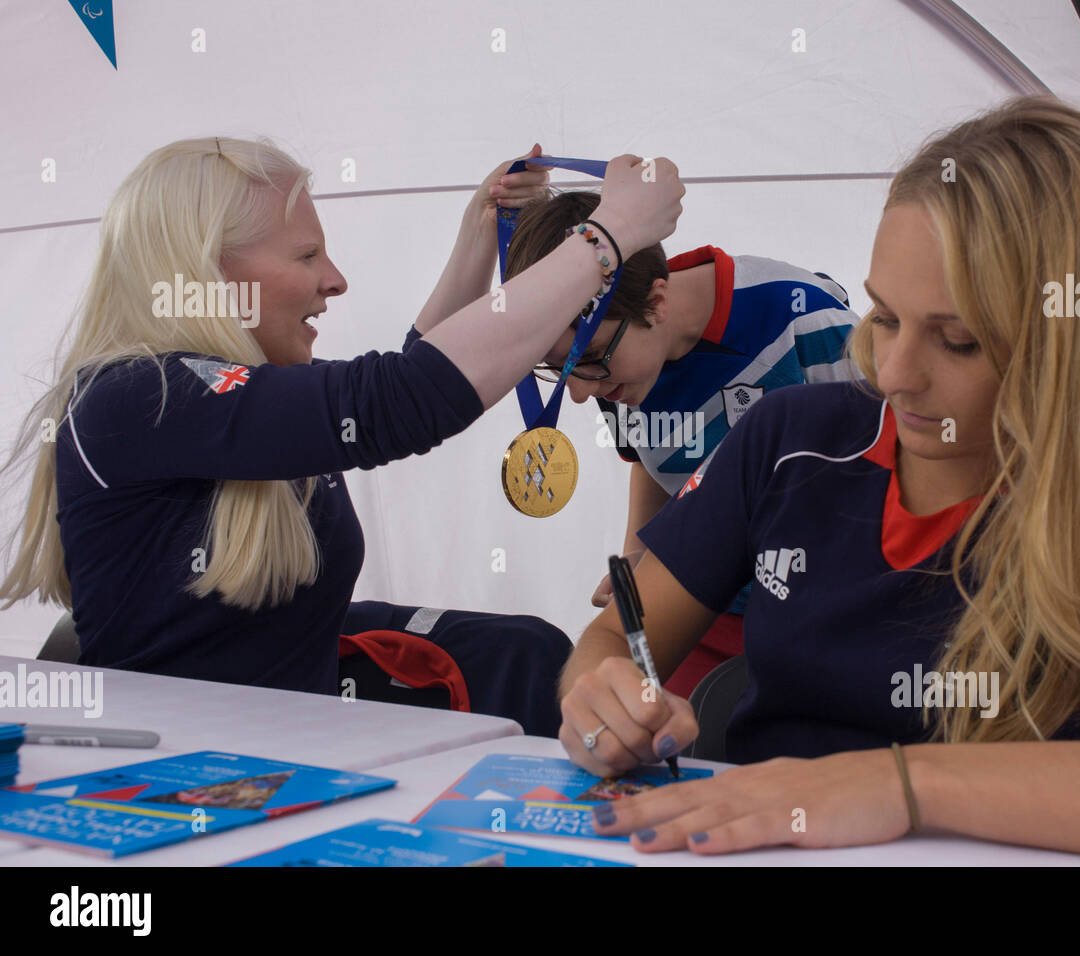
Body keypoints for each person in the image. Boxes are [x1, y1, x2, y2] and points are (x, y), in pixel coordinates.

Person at [553, 96, 1080, 863]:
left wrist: (904, 787)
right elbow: (617, 637)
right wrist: (600, 696)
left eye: (959, 340)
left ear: (1070, 350)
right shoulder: (787, 440)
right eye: (883, 317)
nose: (896, 374)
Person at [0, 138, 683, 737]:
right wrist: (606, 238)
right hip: (181, 784)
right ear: (206, 272)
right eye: (306, 255)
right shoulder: (137, 396)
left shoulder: (230, 400)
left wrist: (481, 237)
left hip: (285, 759)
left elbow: (408, 374)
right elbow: (404, 397)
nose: (336, 279)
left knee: (522, 650)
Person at [503, 189, 862, 697]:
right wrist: (637, 558)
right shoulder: (614, 368)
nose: (581, 393)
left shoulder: (804, 319)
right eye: (558, 370)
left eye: (592, 358)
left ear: (656, 301)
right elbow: (649, 462)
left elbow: (903, 459)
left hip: (831, 618)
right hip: (710, 614)